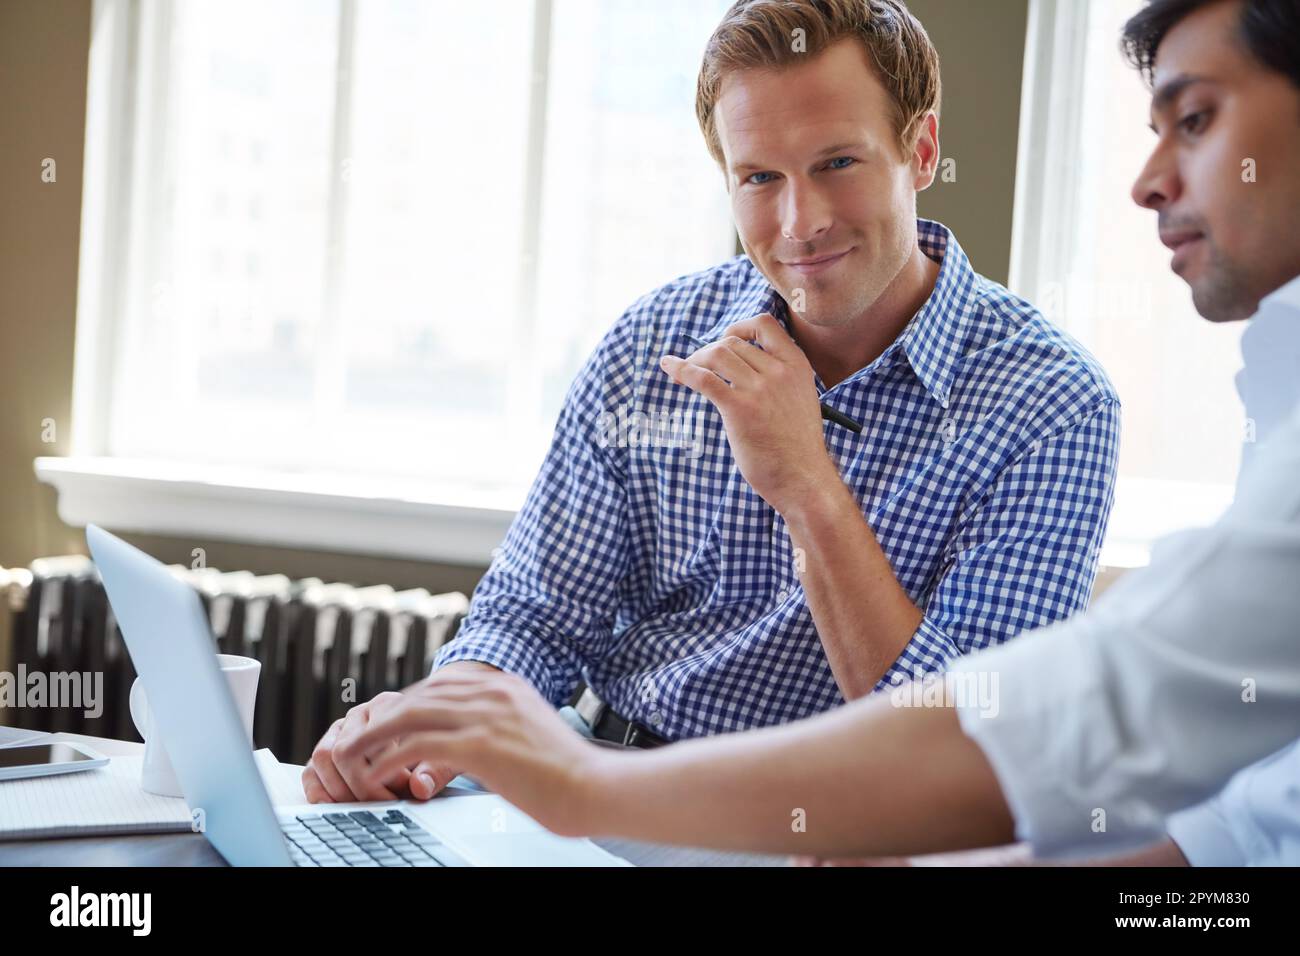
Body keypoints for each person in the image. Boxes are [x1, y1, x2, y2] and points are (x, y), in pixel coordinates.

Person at [327, 0, 1300, 863]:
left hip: (832, 831)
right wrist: (432, 727)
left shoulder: (1049, 402)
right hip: (584, 800)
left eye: (837, 163)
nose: (799, 222)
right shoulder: (654, 340)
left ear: (921, 151)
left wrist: (806, 480)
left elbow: (983, 740)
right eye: (758, 177)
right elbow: (533, 615)